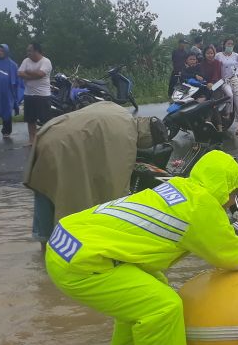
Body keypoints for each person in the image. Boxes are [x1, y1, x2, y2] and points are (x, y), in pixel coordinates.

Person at [44, 150, 238, 345]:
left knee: (156, 285)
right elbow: (232, 253)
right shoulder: (200, 207)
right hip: (80, 261)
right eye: (234, 194)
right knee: (163, 308)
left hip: (66, 242)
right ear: (227, 188)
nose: (232, 203)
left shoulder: (178, 188)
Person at [25, 102, 161, 246]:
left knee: (46, 191)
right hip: (64, 148)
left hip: (48, 134)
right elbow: (115, 182)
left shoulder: (120, 111)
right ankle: (59, 253)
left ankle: (42, 252)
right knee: (67, 196)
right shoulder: (127, 137)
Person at [17, 42, 53, 142]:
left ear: (36, 51)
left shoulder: (46, 61)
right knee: (30, 120)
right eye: (27, 51)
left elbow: (40, 74)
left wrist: (27, 73)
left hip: (42, 95)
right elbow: (20, 73)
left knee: (45, 119)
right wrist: (33, 76)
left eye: (30, 51)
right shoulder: (26, 61)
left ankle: (46, 140)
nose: (28, 53)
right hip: (28, 94)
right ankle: (32, 140)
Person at [218, 37, 238, 138]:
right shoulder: (219, 55)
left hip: (234, 80)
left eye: (232, 44)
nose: (230, 46)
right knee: (229, 95)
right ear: (224, 44)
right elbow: (213, 64)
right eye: (228, 44)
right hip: (223, 81)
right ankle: (228, 113)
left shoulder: (236, 56)